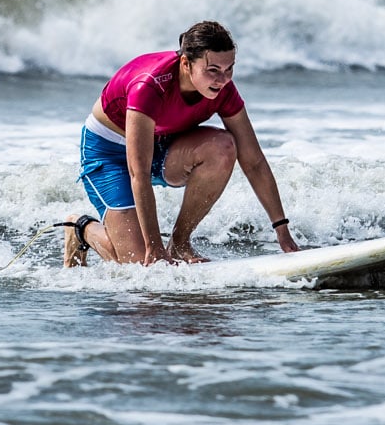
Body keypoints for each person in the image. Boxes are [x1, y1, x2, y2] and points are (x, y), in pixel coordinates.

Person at [61, 20, 299, 266]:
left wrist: (281, 229)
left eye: (229, 69)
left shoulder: (222, 89)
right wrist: (154, 248)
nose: (223, 79)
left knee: (223, 147)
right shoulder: (150, 85)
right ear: (186, 63)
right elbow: (138, 173)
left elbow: (254, 161)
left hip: (163, 143)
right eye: (213, 70)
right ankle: (81, 228)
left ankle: (179, 242)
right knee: (137, 262)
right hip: (108, 152)